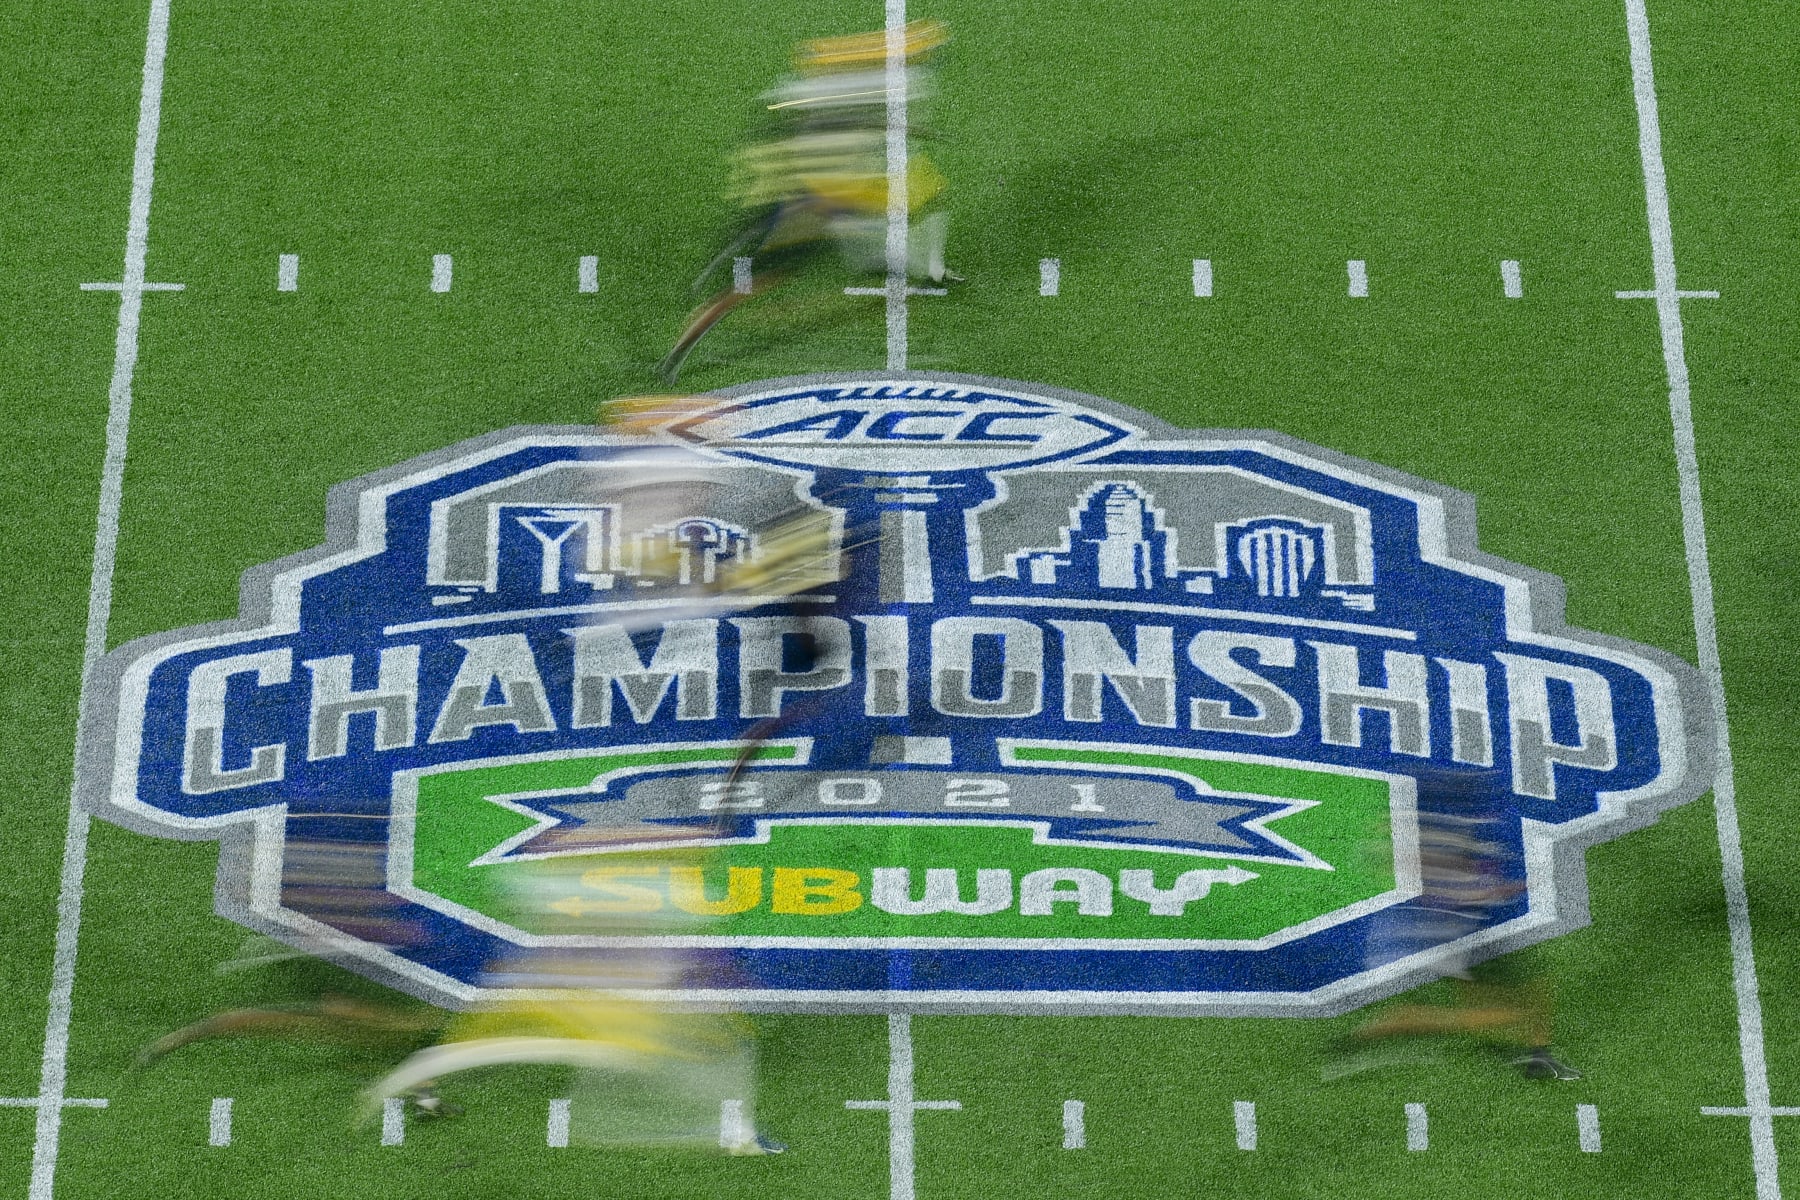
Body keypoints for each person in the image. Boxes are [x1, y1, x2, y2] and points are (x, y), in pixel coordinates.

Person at [659, 19, 954, 381]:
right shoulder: (843, 104)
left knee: (894, 207)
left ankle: (906, 264)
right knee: (755, 282)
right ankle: (683, 345)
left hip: (819, 197)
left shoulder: (837, 101)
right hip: (812, 206)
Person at [1329, 771, 1581, 1081]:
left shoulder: (1438, 832)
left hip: (1465, 930)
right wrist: (1500, 888)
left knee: (1530, 991)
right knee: (1493, 1012)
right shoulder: (1437, 839)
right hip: (1451, 935)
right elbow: (1446, 891)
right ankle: (1397, 1022)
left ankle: (1538, 1056)